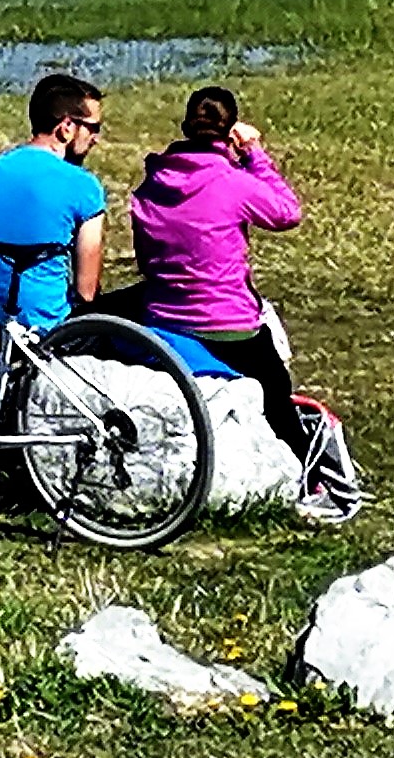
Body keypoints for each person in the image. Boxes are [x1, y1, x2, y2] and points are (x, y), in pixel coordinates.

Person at [127, 85, 354, 516]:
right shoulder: (233, 182)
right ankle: (313, 480)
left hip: (164, 318)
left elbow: (145, 258)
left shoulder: (152, 183)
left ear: (184, 127)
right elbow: (287, 212)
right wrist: (253, 153)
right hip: (227, 325)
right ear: (229, 132)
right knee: (277, 392)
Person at [0, 71, 108, 342]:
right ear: (67, 127)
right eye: (93, 128)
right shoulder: (84, 185)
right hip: (44, 329)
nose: (96, 138)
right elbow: (86, 291)